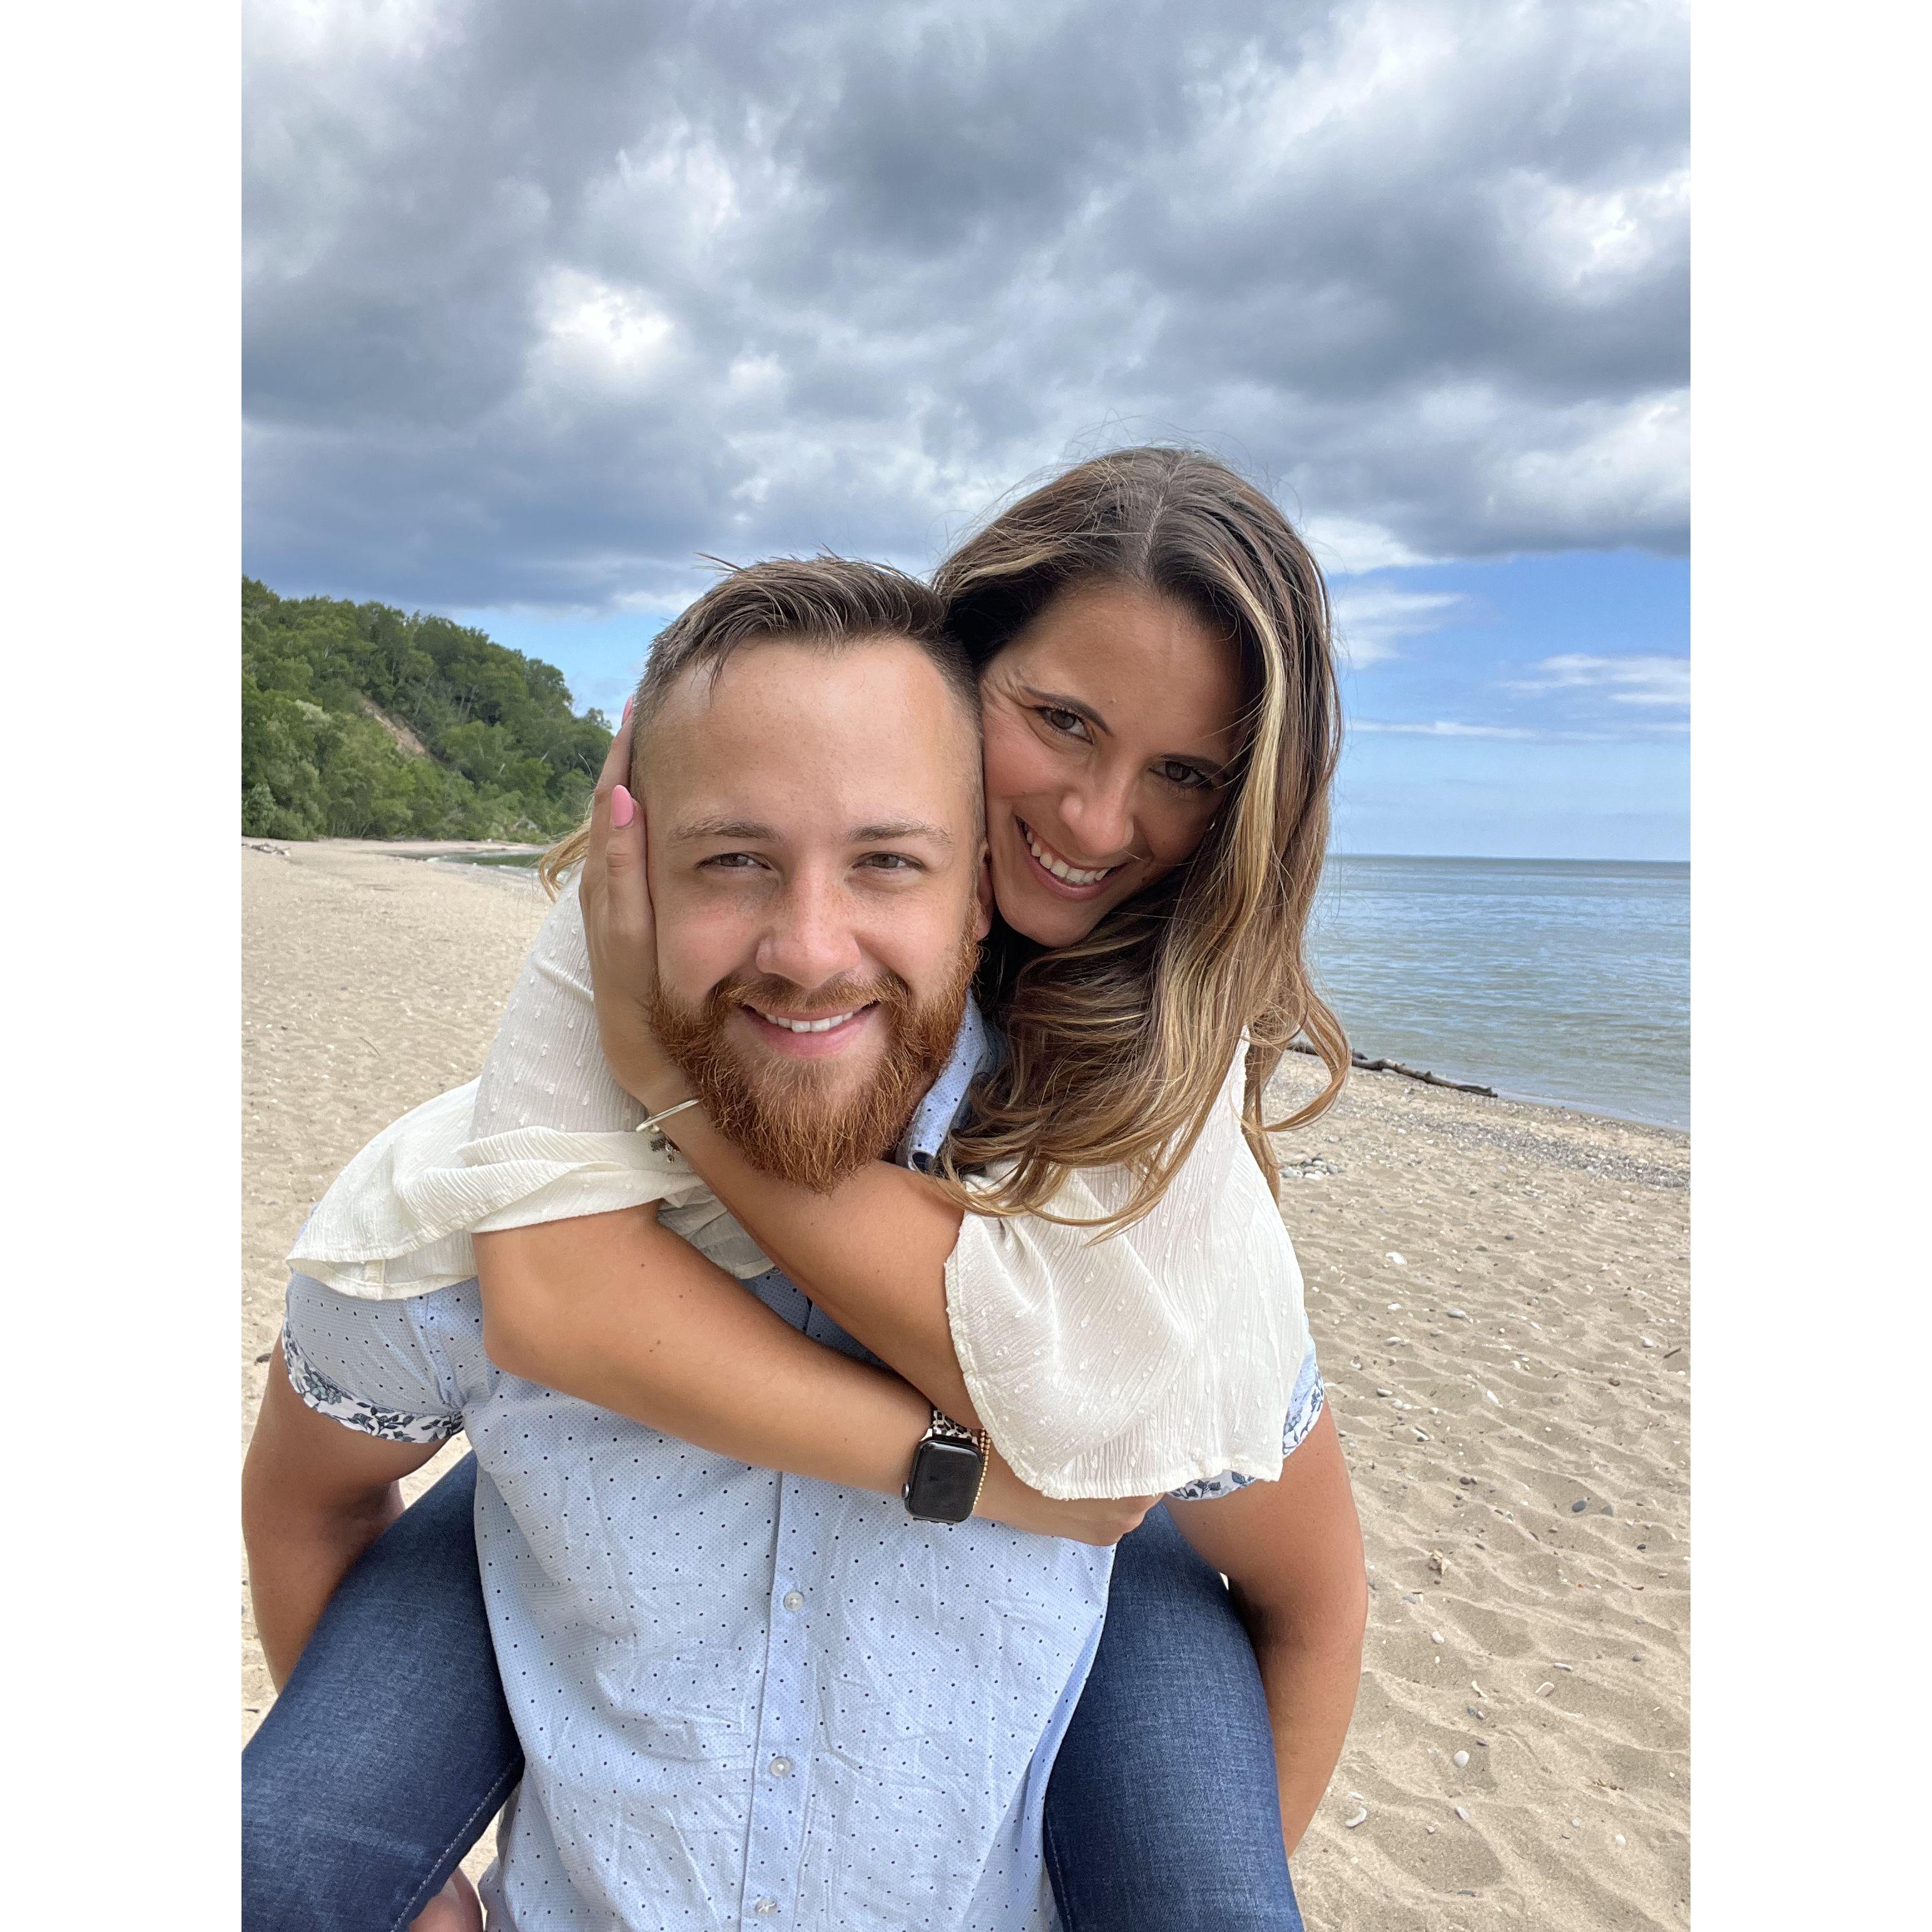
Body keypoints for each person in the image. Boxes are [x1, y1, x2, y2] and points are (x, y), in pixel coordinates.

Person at [243, 453, 1368, 1929]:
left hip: (1100, 1474)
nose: (1097, 822)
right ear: (959, 672)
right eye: (1061, 721)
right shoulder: (624, 922)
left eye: (1186, 772)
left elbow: (1242, 1539)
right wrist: (978, 1473)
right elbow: (555, 1293)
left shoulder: (1165, 1058)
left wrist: (670, 1077)